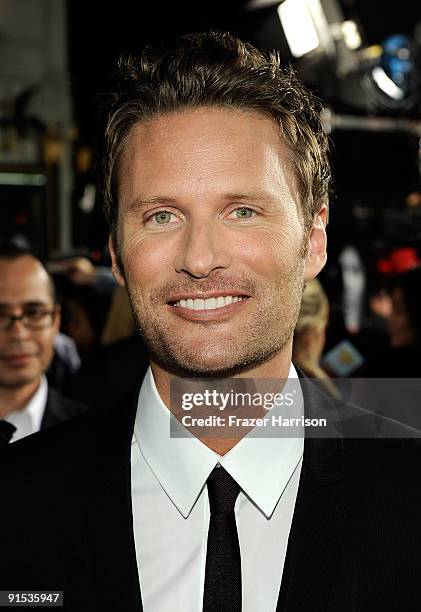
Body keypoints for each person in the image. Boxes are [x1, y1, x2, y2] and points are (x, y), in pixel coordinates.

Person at [1, 32, 421, 612]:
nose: (200, 258)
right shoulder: (16, 506)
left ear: (314, 240)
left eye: (243, 211)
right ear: (117, 253)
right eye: (162, 215)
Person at [0, 243, 87, 447]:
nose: (19, 334)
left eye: (34, 313)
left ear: (56, 320)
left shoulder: (95, 437)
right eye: (0, 315)